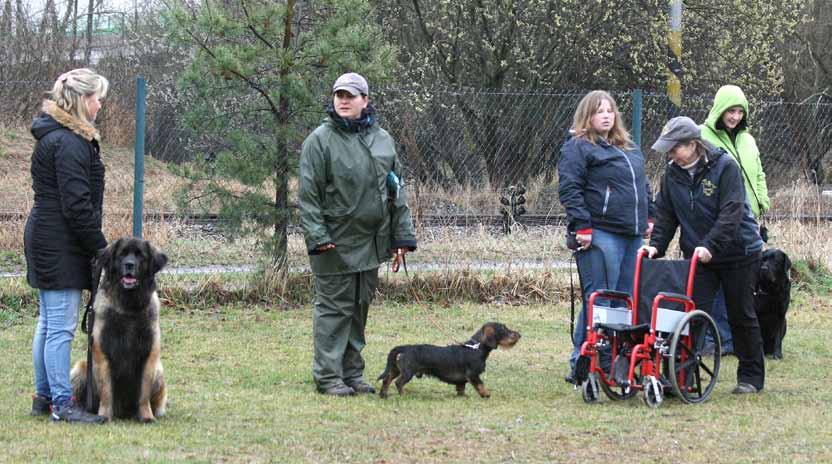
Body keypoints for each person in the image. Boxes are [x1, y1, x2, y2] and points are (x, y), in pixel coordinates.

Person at [299, 72, 417, 396]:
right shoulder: (319, 141)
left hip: (371, 241)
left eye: (351, 95)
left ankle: (352, 373)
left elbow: (397, 191)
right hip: (334, 243)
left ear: (365, 100)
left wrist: (401, 238)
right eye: (339, 95)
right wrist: (318, 237)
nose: (344, 100)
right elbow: (308, 197)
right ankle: (328, 376)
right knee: (334, 309)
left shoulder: (382, 140)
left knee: (359, 307)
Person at [644, 116, 766, 394]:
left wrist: (711, 245)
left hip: (739, 252)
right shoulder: (672, 174)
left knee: (741, 314)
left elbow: (731, 212)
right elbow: (666, 215)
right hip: (699, 256)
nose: (670, 154)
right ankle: (681, 377)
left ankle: (750, 377)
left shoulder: (725, 168)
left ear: (693, 144)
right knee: (690, 314)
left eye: (674, 148)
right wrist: (656, 245)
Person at [24, 68, 109, 423]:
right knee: (60, 326)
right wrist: (102, 249)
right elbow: (77, 205)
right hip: (59, 241)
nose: (100, 105)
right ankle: (62, 404)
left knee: (49, 322)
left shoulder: (56, 137)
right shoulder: (70, 143)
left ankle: (44, 397)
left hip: (48, 235)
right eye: (97, 98)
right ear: (81, 100)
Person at [557, 90, 654, 382]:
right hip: (601, 233)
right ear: (588, 115)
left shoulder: (629, 148)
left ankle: (614, 360)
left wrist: (649, 216)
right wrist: (582, 227)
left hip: (632, 234)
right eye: (600, 111)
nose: (606, 115)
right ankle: (583, 361)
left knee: (624, 301)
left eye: (610, 110)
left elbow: (643, 184)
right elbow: (570, 189)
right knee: (600, 300)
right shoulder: (578, 147)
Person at [700, 85, 771, 356]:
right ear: (719, 109)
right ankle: (718, 338)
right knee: (717, 283)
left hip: (748, 218)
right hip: (718, 218)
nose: (735, 116)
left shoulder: (747, 139)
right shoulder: (703, 136)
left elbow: (759, 172)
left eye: (740, 111)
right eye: (731, 110)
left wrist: (762, 200)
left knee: (743, 283)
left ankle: (735, 337)